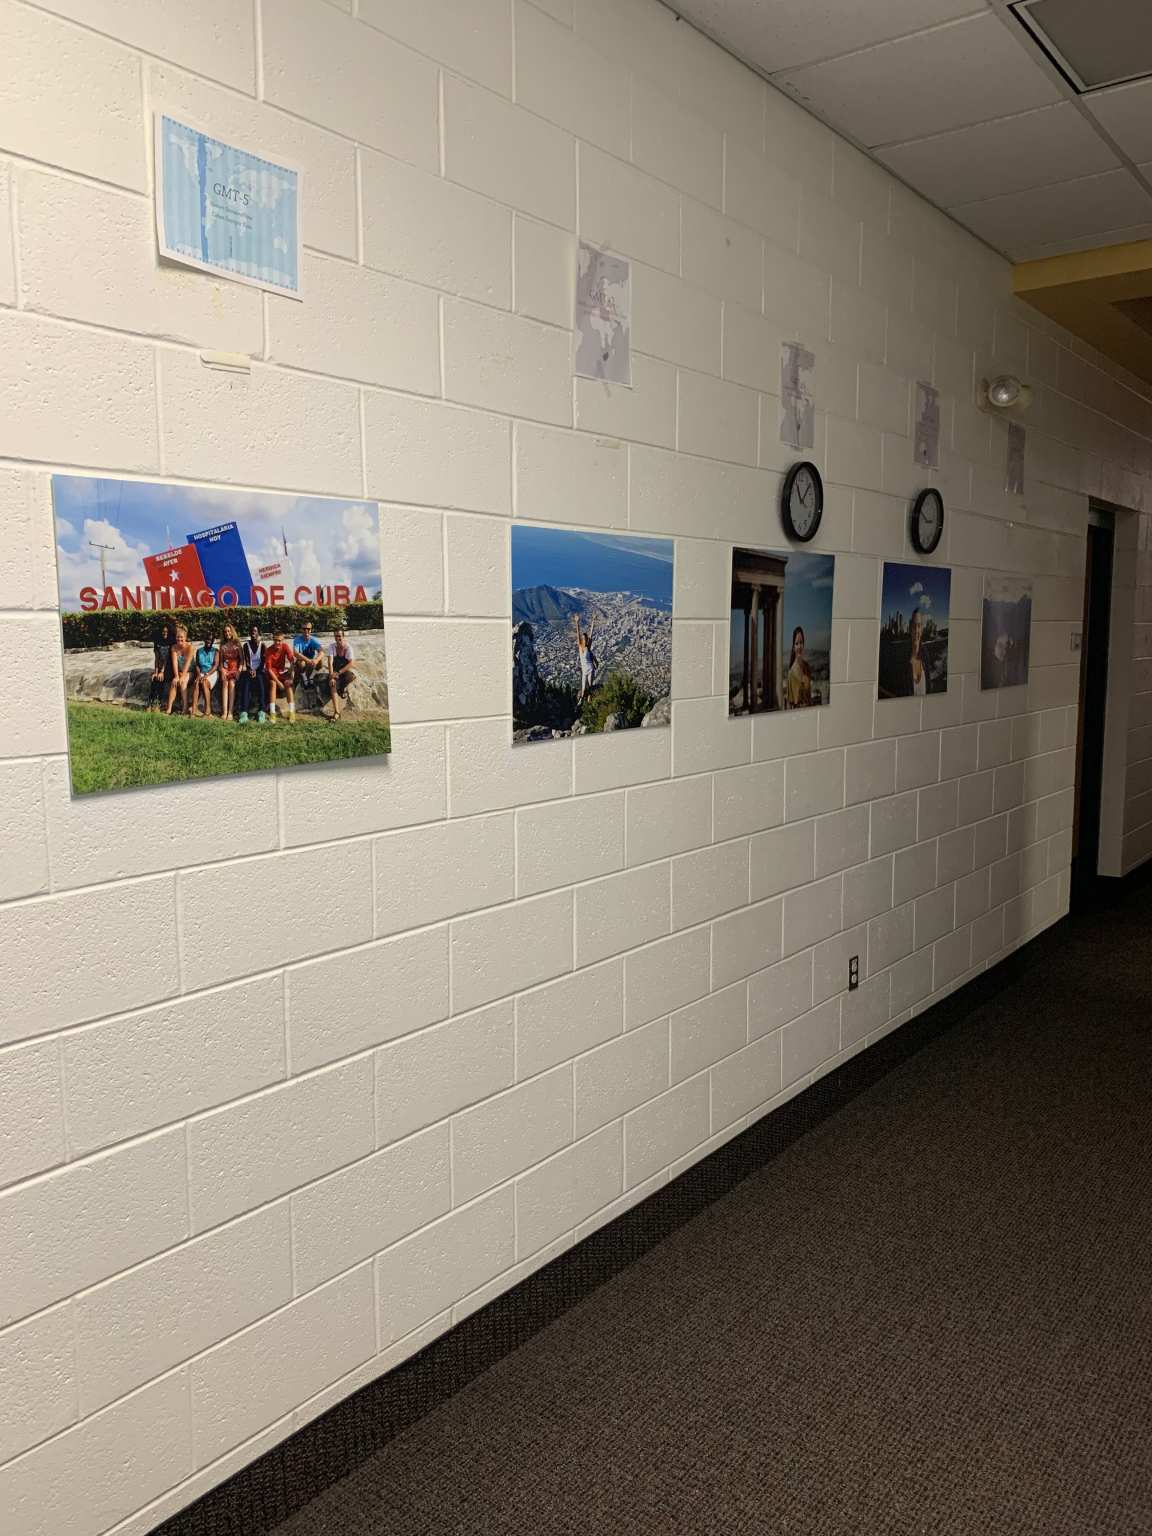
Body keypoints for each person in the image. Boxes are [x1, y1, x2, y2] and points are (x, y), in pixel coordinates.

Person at [263, 628, 296, 720]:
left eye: (280, 640)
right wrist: (279, 683)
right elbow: (268, 669)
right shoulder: (269, 650)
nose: (277, 642)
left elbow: (292, 660)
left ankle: (292, 711)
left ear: (283, 640)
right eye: (275, 640)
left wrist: (291, 670)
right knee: (273, 684)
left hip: (281, 672)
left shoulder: (285, 646)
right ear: (273, 640)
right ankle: (272, 712)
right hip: (272, 673)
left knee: (288, 684)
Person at [326, 625, 357, 720]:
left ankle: (342, 687)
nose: (337, 638)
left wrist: (339, 673)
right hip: (335, 671)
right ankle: (337, 712)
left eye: (339, 636)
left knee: (351, 676)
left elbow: (351, 663)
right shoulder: (331, 646)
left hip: (343, 671)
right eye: (336, 636)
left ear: (343, 636)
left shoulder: (348, 648)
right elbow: (330, 662)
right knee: (332, 684)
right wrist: (331, 676)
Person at [164, 623, 195, 715]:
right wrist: (177, 676)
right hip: (180, 671)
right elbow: (175, 663)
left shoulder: (190, 647)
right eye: (177, 637)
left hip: (190, 671)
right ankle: (169, 708)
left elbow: (187, 664)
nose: (179, 639)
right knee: (174, 682)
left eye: (181, 637)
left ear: (185, 637)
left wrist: (182, 677)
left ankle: (185, 708)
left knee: (183, 682)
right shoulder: (174, 647)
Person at [238, 624, 266, 723]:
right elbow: (247, 660)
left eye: (255, 631)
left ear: (258, 633)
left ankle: (262, 711)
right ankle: (244, 712)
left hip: (259, 671)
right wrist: (250, 670)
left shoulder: (262, 645)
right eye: (251, 631)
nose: (253, 632)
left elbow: (263, 662)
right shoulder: (246, 645)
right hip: (250, 670)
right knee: (246, 683)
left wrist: (256, 671)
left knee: (261, 681)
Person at [292, 621, 324, 697]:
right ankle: (304, 677)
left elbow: (322, 652)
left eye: (308, 629)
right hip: (302, 661)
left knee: (320, 661)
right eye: (304, 629)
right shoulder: (297, 640)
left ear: (311, 630)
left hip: (311, 662)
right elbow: (296, 653)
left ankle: (312, 676)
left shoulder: (313, 640)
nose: (306, 631)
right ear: (301, 630)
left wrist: (316, 660)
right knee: (301, 662)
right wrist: (307, 660)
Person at [218, 623, 242, 722]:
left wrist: (239, 671)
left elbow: (242, 661)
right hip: (225, 669)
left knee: (231, 684)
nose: (227, 633)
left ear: (232, 632)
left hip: (235, 669)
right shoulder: (222, 645)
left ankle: (230, 712)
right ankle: (224, 711)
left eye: (228, 631)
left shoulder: (237, 644)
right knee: (225, 683)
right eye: (225, 632)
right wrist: (222, 670)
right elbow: (220, 662)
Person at [574, 613, 598, 706]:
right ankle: (581, 700)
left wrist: (593, 621)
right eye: (583, 638)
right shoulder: (580, 646)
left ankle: (589, 701)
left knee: (590, 686)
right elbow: (577, 633)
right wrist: (577, 623)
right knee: (584, 688)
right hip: (584, 670)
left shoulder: (588, 646)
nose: (585, 639)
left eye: (585, 638)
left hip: (590, 668)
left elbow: (591, 633)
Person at [148, 621, 174, 710]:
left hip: (169, 667)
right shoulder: (157, 642)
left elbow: (167, 658)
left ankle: (158, 702)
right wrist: (156, 672)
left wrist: (162, 671)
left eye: (166, 631)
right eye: (163, 631)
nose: (165, 633)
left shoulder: (171, 642)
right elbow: (157, 658)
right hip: (160, 666)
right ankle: (150, 702)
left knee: (161, 678)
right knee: (155, 678)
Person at [785, 625, 813, 708]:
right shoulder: (791, 674)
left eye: (801, 642)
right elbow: (790, 706)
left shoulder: (807, 667)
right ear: (793, 647)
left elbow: (809, 697)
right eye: (797, 643)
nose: (799, 646)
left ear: (804, 644)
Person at [909, 608, 928, 697]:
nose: (916, 630)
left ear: (922, 630)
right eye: (914, 626)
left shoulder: (926, 655)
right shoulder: (902, 660)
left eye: (919, 626)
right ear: (910, 628)